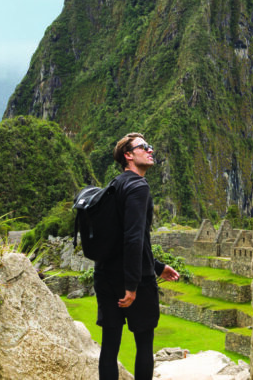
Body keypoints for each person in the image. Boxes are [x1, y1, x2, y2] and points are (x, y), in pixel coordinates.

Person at [95, 132, 180, 379]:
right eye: (143, 147)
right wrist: (131, 286)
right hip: (134, 281)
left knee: (109, 346)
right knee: (144, 343)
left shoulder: (115, 185)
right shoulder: (138, 186)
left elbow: (125, 238)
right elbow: (133, 238)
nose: (150, 150)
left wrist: (157, 266)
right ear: (128, 155)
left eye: (150, 146)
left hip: (105, 275)